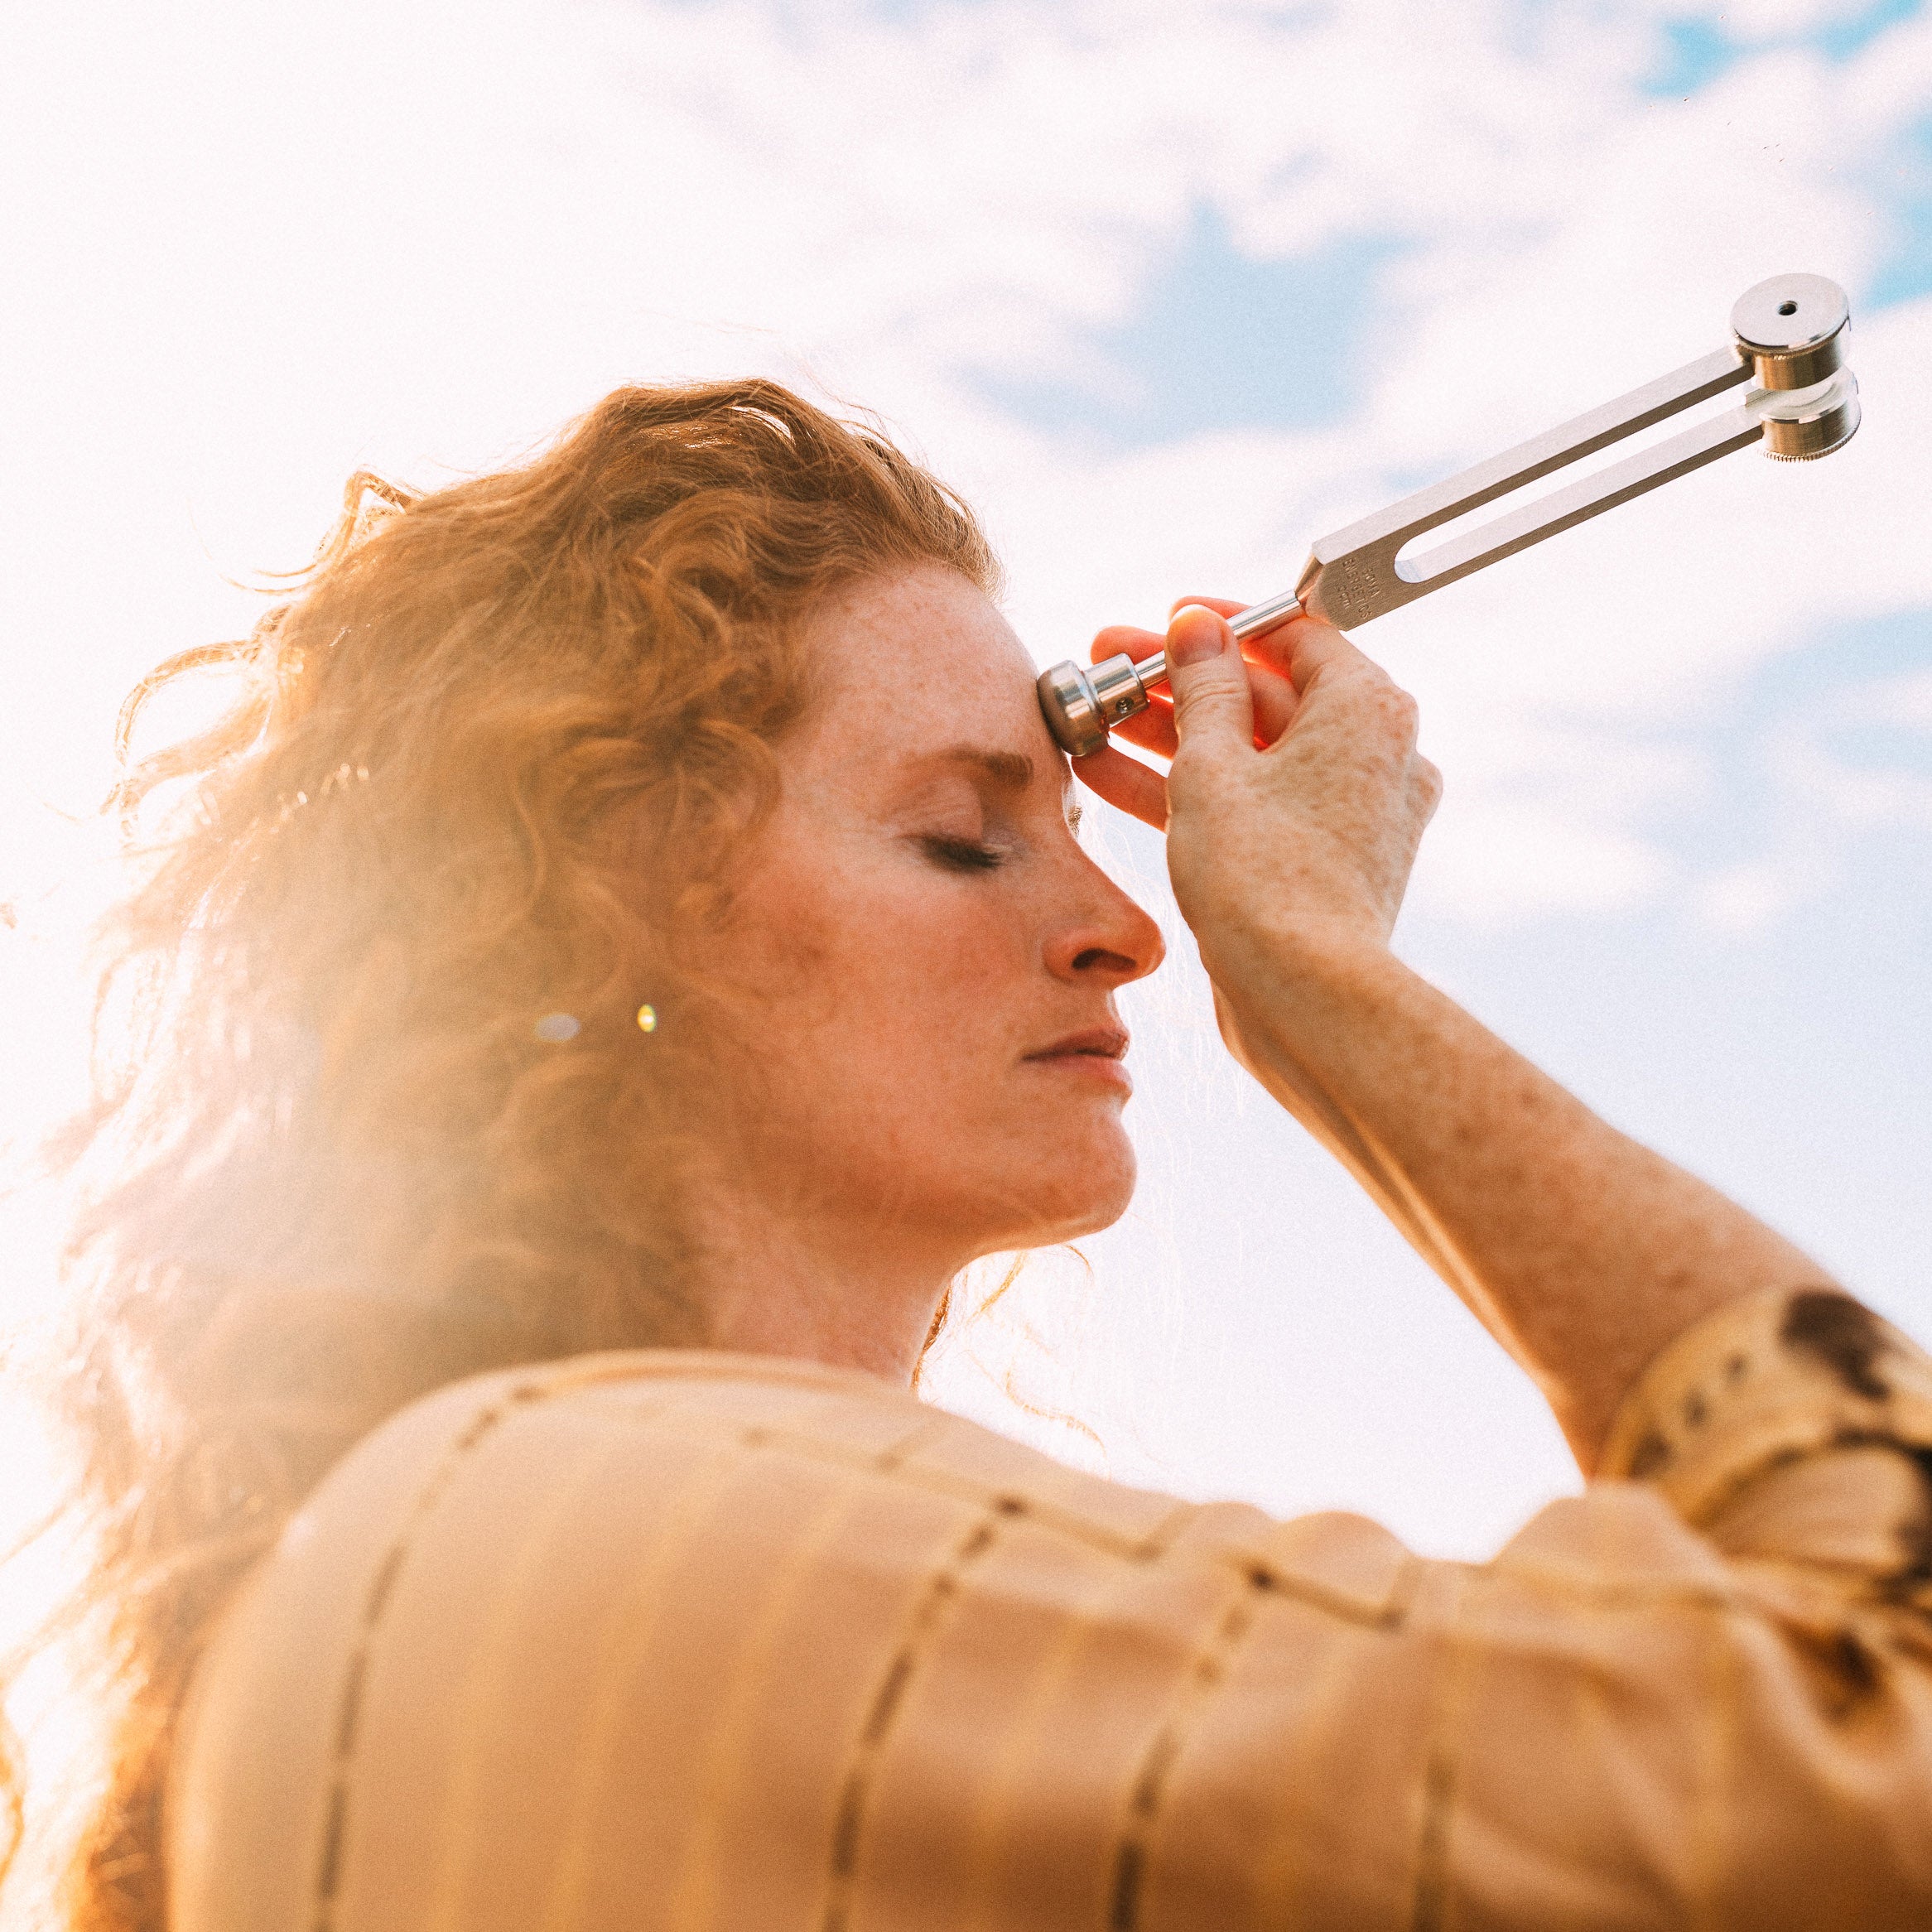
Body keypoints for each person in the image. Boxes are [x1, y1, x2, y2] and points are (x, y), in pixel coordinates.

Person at [4, 381, 1930, 1932]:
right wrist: (1324, 980)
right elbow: (1886, 1730)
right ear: (612, 909)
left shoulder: (507, 1546)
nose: (1130, 924)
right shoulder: (601, 1528)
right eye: (958, 834)